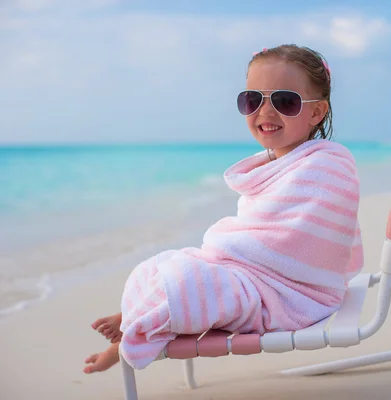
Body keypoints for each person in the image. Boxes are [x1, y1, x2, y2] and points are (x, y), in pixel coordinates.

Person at [83, 44, 363, 374]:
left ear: (316, 113)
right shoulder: (283, 165)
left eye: (285, 101)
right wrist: (224, 253)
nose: (265, 112)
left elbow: (296, 239)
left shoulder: (327, 166)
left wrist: (226, 251)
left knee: (192, 280)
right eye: (252, 100)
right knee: (166, 264)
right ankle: (139, 316)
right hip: (256, 274)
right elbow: (264, 229)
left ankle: (133, 335)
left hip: (287, 294)